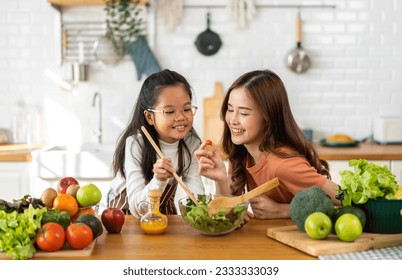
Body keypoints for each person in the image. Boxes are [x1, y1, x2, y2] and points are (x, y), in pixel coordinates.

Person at [195, 69, 340, 220]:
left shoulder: (283, 165)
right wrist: (220, 179)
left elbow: (351, 200)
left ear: (267, 117)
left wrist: (285, 211)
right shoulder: (241, 152)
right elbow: (226, 214)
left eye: (244, 113)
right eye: (230, 109)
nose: (232, 120)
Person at [108, 69, 204, 218]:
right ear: (150, 117)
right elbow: (137, 208)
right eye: (170, 111)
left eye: (186, 109)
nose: (181, 117)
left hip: (163, 209)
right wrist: (158, 180)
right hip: (127, 213)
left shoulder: (191, 143)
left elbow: (196, 195)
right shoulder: (136, 144)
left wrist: (204, 212)